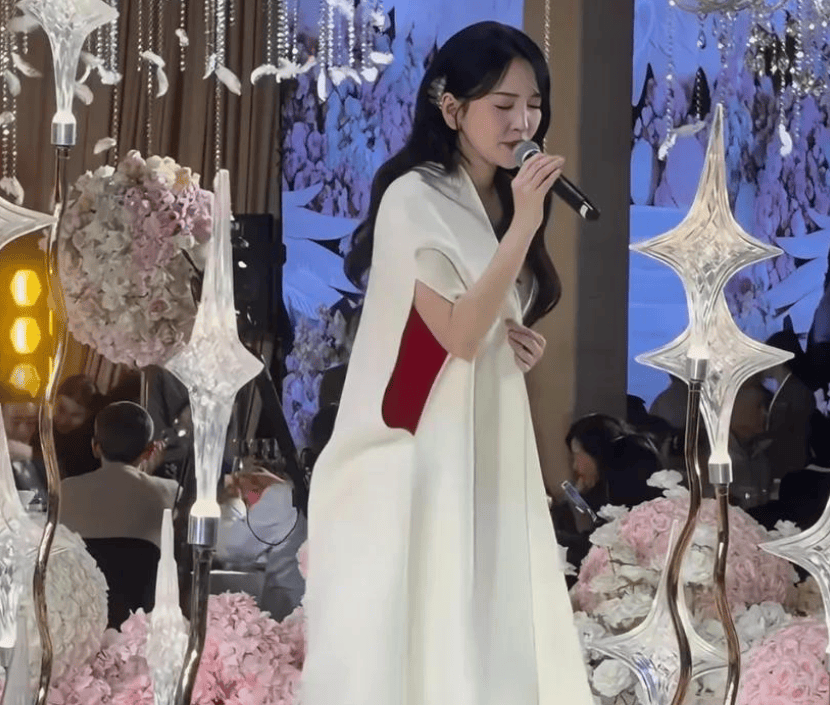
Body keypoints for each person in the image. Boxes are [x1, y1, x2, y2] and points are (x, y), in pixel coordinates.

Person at [301, 21, 592, 705]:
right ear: (452, 108)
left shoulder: (498, 197)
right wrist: (524, 224)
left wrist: (513, 340)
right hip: (420, 451)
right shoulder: (416, 197)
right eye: (504, 105)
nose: (523, 122)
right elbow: (457, 336)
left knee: (490, 629)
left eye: (534, 105)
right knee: (432, 640)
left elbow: (477, 324)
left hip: (485, 444)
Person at [59, 401, 178, 626]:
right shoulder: (170, 491)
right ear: (150, 451)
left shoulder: (65, 490)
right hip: (140, 625)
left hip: (79, 620)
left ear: (95, 446)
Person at [552, 413, 664, 572]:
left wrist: (552, 537)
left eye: (577, 455)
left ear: (594, 449)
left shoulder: (629, 470)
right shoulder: (607, 479)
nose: (575, 467)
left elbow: (603, 548)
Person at [216, 464, 307, 621]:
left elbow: (231, 546)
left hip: (290, 604)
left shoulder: (280, 497)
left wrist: (225, 505)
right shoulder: (294, 493)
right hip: (304, 599)